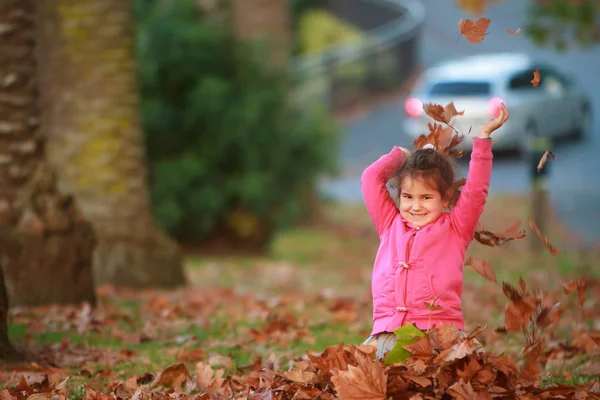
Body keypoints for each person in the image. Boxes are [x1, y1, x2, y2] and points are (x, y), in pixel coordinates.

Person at [360, 104, 510, 359]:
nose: (415, 206)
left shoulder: (456, 227)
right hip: (389, 332)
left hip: (441, 332)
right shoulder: (390, 224)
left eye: (426, 197)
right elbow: (370, 178)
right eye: (407, 196)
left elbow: (476, 191)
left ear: (445, 198)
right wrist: (400, 156)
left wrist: (484, 139)